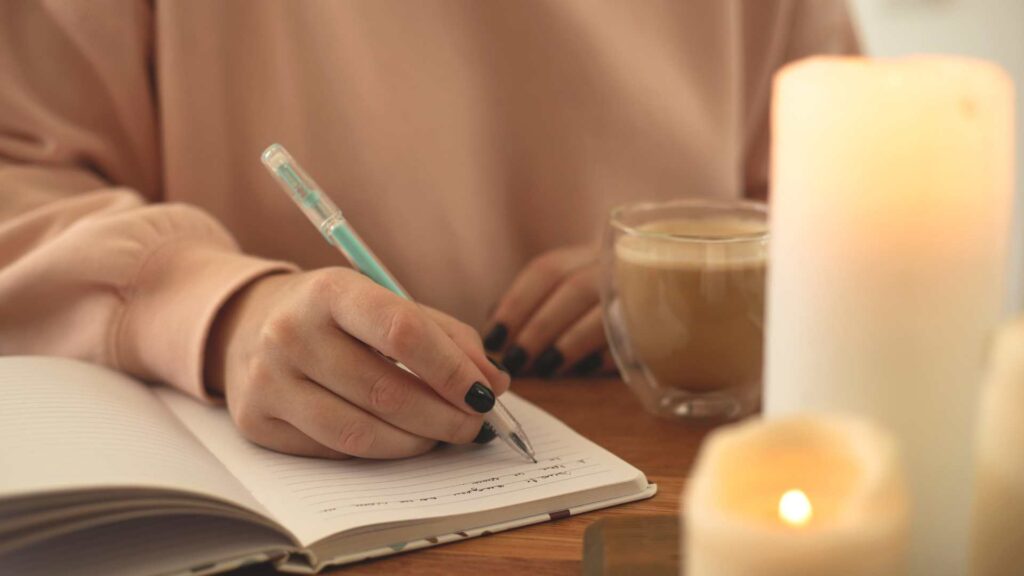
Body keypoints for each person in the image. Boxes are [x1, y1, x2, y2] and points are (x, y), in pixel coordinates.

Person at [0, 0, 858, 459]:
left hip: (685, 468)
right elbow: (21, 176)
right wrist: (220, 309)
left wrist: (692, 278)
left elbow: (859, 193)